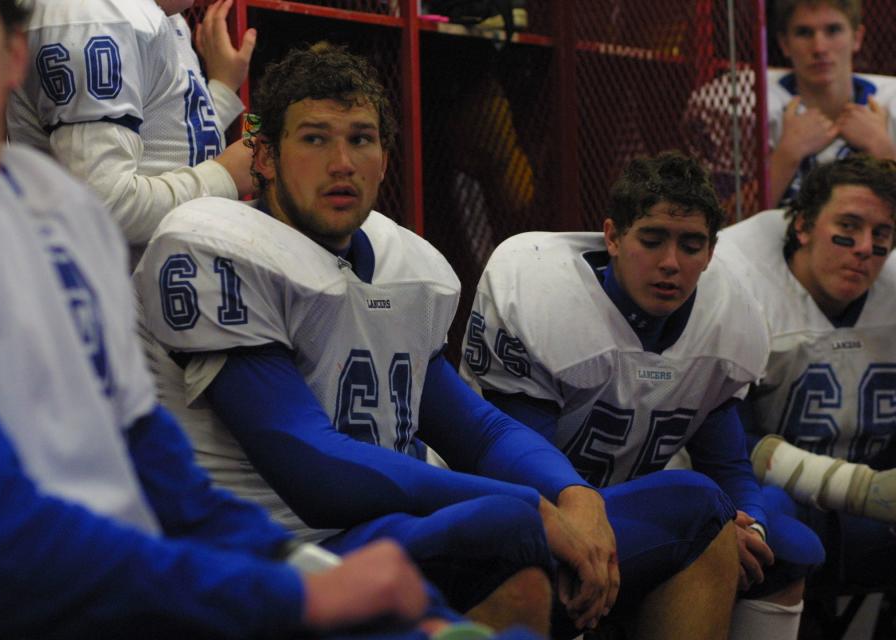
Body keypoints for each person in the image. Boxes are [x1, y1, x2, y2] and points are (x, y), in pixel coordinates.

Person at [0, 2, 515, 638]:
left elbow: (155, 466)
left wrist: (295, 568)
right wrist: (288, 597)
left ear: (16, 55)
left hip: (135, 567)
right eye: (316, 138)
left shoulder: (67, 214)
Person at [135, 43, 742, 638]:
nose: (342, 162)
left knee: (696, 501)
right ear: (263, 157)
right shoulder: (212, 243)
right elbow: (309, 466)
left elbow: (477, 429)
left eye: (361, 139)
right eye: (315, 138)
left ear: (384, 158)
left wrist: (571, 493)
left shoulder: (404, 261)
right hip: (275, 551)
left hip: (407, 536)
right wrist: (532, 509)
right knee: (503, 527)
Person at [460, 151, 825, 639]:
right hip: (529, 515)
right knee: (696, 506)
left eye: (691, 245)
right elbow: (522, 473)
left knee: (789, 547)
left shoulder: (726, 315)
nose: (670, 263)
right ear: (612, 236)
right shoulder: (544, 292)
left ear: (712, 252)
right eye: (652, 240)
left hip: (633, 512)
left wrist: (750, 528)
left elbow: (729, 466)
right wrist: (706, 530)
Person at [714, 154, 896, 603]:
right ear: (803, 226)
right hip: (768, 495)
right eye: (848, 226)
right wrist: (861, 489)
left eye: (881, 234)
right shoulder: (739, 284)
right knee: (771, 531)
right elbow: (720, 440)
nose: (863, 247)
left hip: (873, 499)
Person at [6, 0, 257, 255]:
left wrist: (223, 91)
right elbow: (104, 206)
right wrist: (224, 178)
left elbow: (161, 141)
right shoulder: (95, 16)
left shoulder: (164, 15)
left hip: (159, 276)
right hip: (111, 283)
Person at [767, 0, 896, 208]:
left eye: (833, 30)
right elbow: (723, 223)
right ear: (784, 44)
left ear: (857, 37)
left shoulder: (891, 107)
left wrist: (884, 151)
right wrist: (785, 157)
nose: (819, 47)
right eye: (804, 32)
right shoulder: (753, 107)